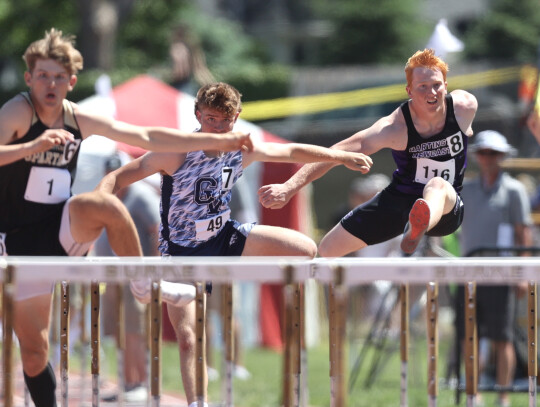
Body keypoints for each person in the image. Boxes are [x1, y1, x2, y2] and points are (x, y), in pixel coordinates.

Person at [0, 28, 253, 407]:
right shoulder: (18, 111)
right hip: (14, 240)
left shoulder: (76, 117)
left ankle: (142, 283)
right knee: (34, 352)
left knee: (106, 205)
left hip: (58, 229)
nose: (49, 84)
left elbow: (145, 134)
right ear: (28, 78)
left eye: (57, 76)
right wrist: (32, 145)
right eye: (42, 75)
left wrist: (212, 139)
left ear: (71, 81)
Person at [96, 81, 373, 407]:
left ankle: (287, 335)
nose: (217, 127)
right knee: (188, 338)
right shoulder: (177, 151)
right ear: (198, 115)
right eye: (210, 119)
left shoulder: (242, 148)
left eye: (225, 121)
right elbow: (121, 176)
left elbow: (291, 151)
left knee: (306, 249)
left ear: (236, 117)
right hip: (181, 250)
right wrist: (100, 199)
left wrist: (340, 157)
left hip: (224, 236)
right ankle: (198, 401)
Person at [258, 48, 478, 258]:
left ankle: (419, 224)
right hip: (400, 202)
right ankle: (411, 226)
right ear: (409, 91)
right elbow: (335, 153)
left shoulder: (463, 108)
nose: (431, 93)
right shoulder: (394, 128)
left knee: (437, 185)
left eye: (436, 85)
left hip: (446, 210)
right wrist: (289, 187)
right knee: (327, 249)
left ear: (446, 86)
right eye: (422, 86)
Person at [457, 130, 533, 407]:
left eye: (494, 154)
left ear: (502, 157)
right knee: (469, 336)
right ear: (478, 156)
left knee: (503, 337)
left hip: (502, 274)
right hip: (469, 272)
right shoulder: (465, 189)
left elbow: (523, 233)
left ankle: (502, 396)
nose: (489, 158)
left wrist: (522, 275)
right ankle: (473, 394)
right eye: (485, 152)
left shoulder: (514, 191)